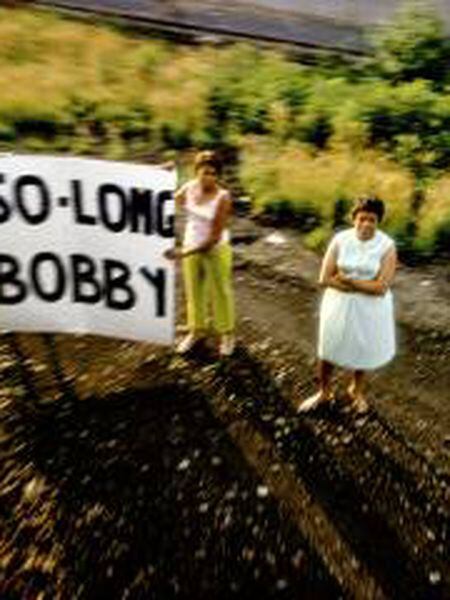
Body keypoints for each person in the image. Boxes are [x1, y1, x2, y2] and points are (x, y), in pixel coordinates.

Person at [298, 197, 397, 414]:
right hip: (338, 303)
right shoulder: (340, 239)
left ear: (378, 221)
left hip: (370, 308)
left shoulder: (387, 246)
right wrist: (362, 286)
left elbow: (381, 287)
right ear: (354, 219)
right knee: (329, 346)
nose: (367, 224)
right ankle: (324, 391)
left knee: (361, 347)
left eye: (372, 220)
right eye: (362, 219)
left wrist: (349, 281)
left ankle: (356, 390)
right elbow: (324, 278)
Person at [165, 150, 235, 357]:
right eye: (204, 172)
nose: (208, 177)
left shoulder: (223, 197)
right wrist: (166, 175)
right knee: (194, 291)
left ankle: (227, 335)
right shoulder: (188, 188)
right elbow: (166, 198)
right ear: (196, 172)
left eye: (213, 173)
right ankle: (196, 331)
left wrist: (182, 253)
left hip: (216, 249)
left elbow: (213, 238)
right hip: (191, 245)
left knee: (220, 292)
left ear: (219, 175)